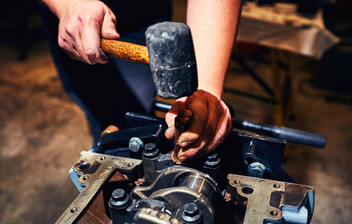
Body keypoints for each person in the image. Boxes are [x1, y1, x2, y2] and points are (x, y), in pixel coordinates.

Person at [39, 0, 241, 162]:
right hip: (71, 17)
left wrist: (205, 90)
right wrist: (67, 5)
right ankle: (104, 152)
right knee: (95, 108)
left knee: (134, 120)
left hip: (140, 12)